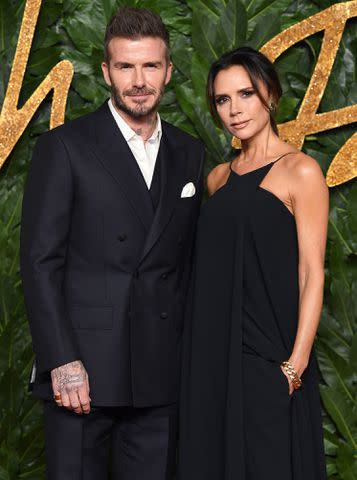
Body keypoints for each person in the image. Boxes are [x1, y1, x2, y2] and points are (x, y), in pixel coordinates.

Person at [20, 6, 204, 479]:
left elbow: (186, 265)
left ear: (168, 70)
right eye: (125, 66)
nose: (138, 80)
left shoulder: (189, 151)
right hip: (81, 374)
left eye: (149, 66)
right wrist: (60, 360)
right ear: (106, 72)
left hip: (159, 372)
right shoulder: (64, 147)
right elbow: (40, 262)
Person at [178, 47, 328, 480]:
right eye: (223, 100)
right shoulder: (217, 178)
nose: (234, 109)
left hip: (269, 361)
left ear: (271, 95)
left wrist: (292, 369)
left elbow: (311, 273)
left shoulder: (301, 171)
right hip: (211, 358)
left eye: (245, 94)